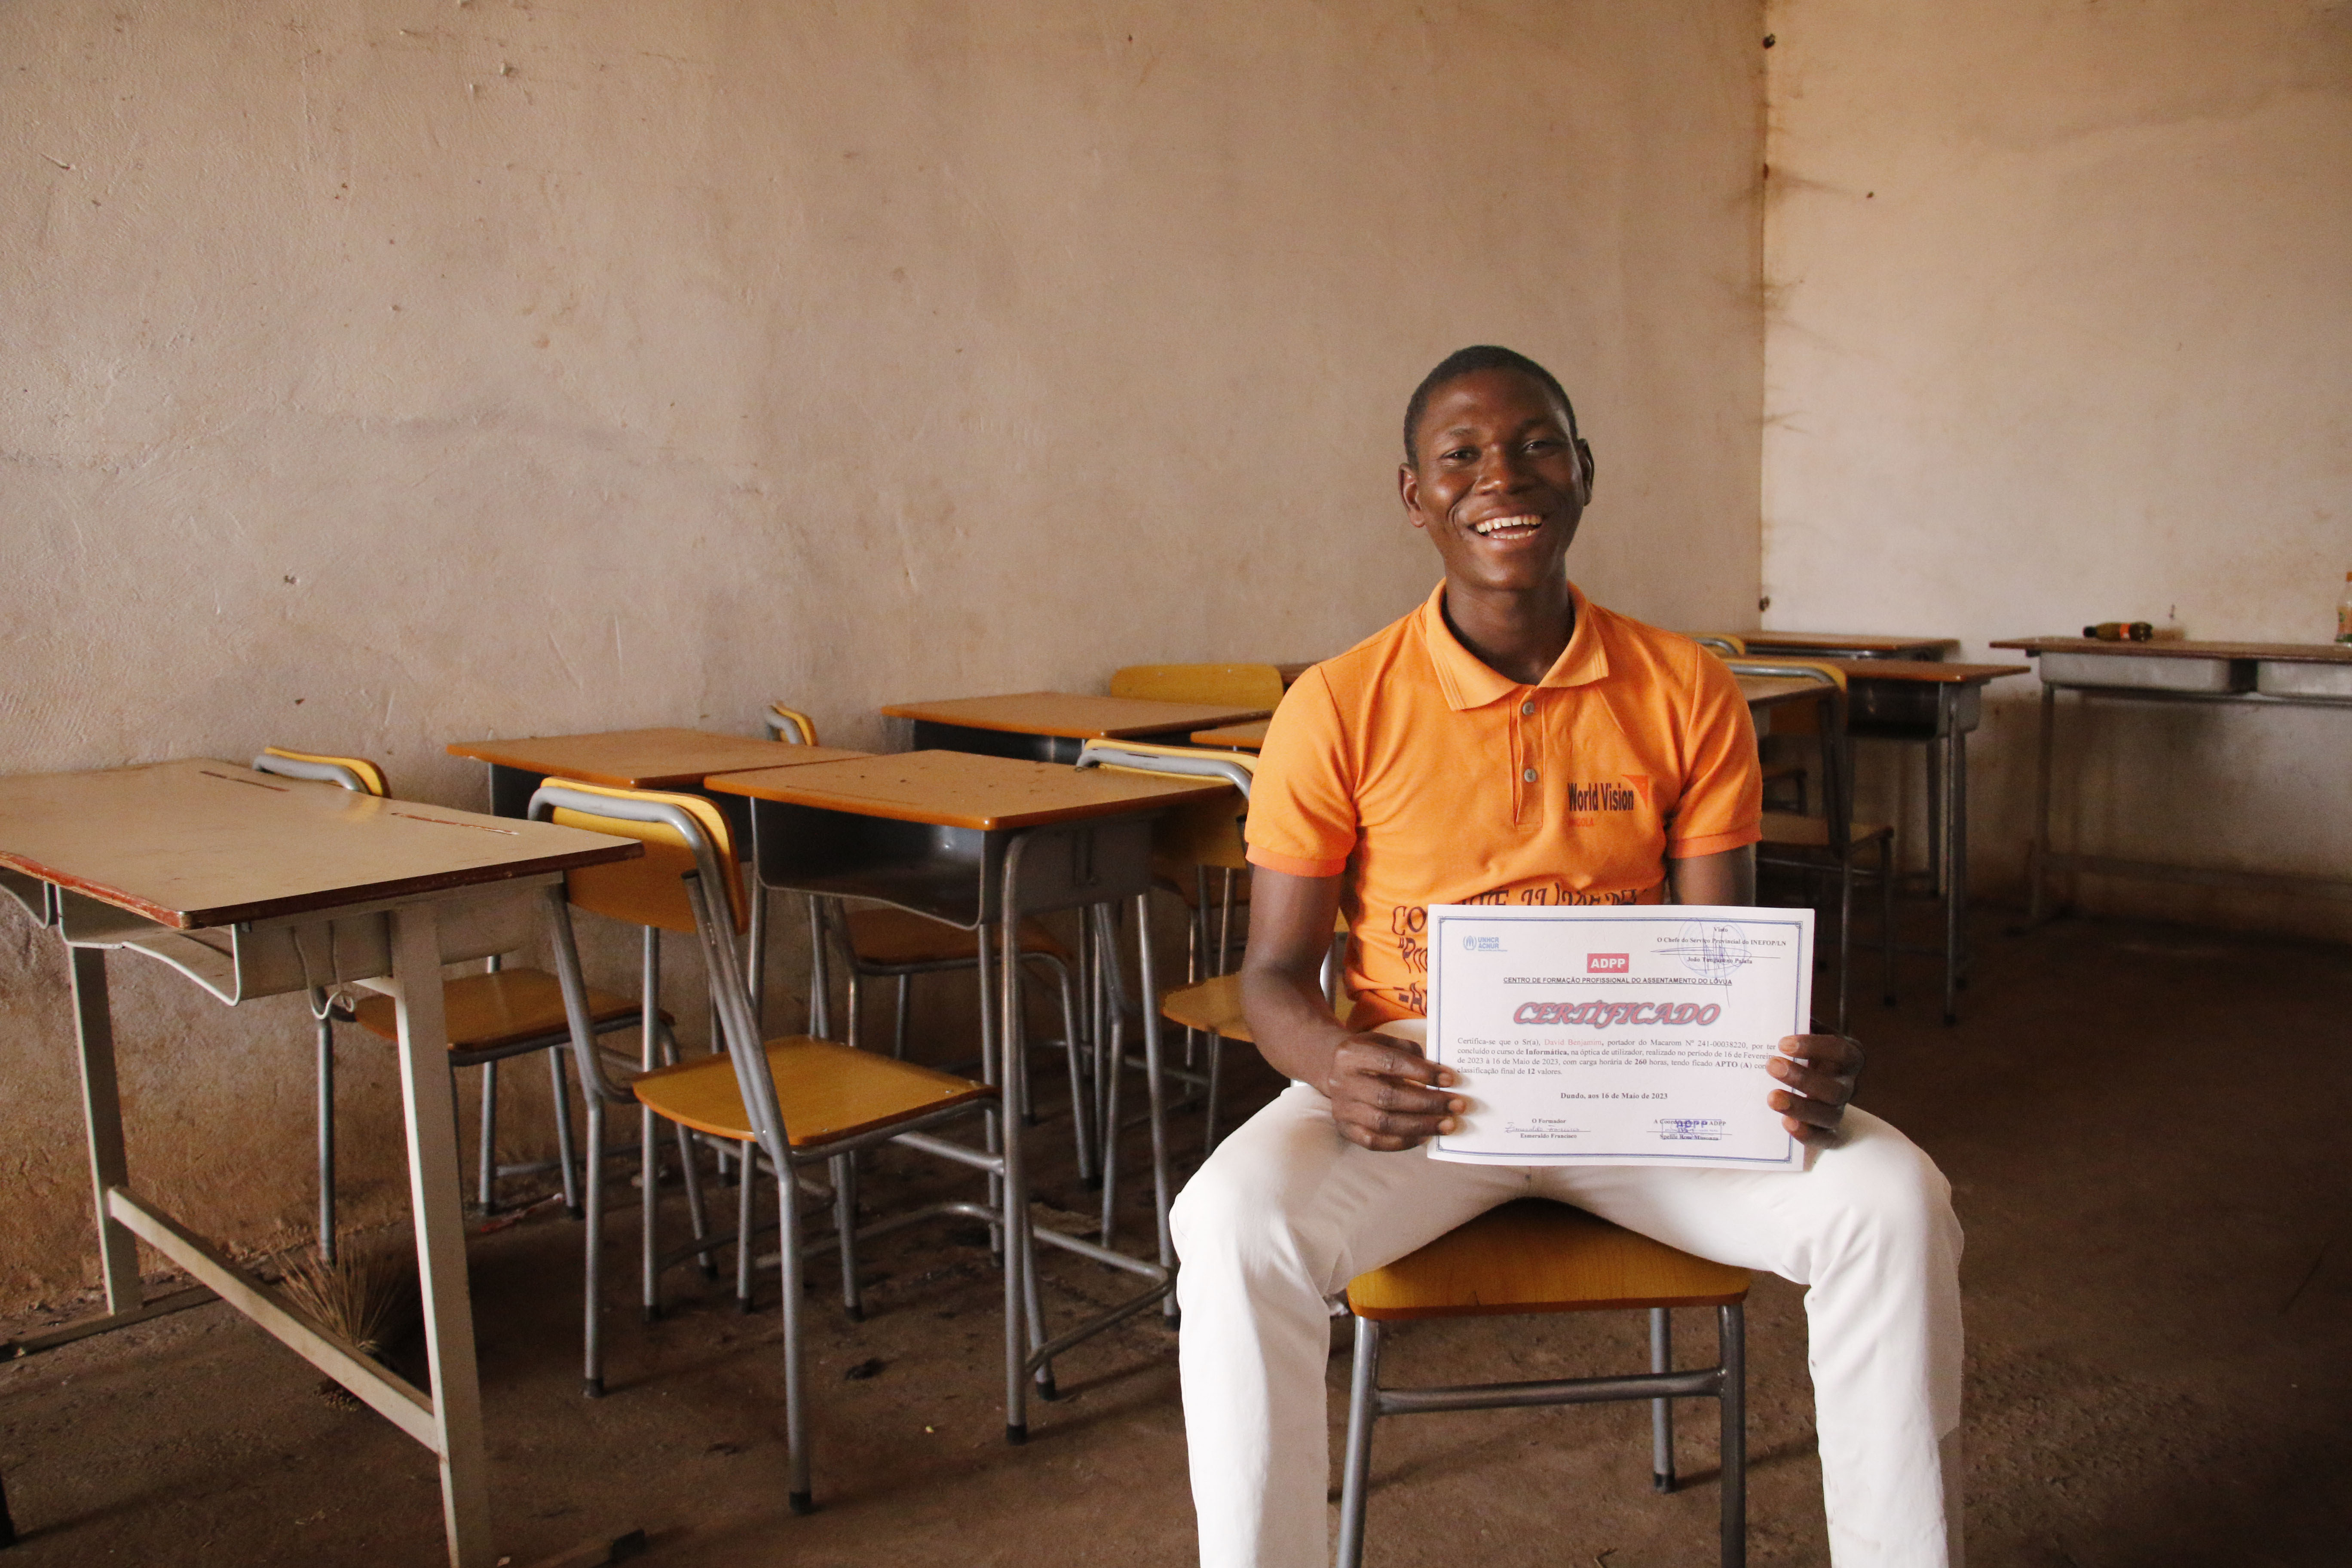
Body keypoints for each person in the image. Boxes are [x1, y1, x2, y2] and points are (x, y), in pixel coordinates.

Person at [1170, 346, 1963, 1567]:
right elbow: (1272, 978)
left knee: (1893, 1201)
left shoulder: (1685, 686)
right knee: (1227, 1223)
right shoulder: (1339, 704)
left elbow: (1724, 953)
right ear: (1414, 493)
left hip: (1647, 1093)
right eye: (1463, 456)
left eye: (1538, 443)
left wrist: (1791, 1052)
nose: (1505, 477)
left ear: (1584, 471)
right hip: (1423, 1094)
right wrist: (1335, 1064)